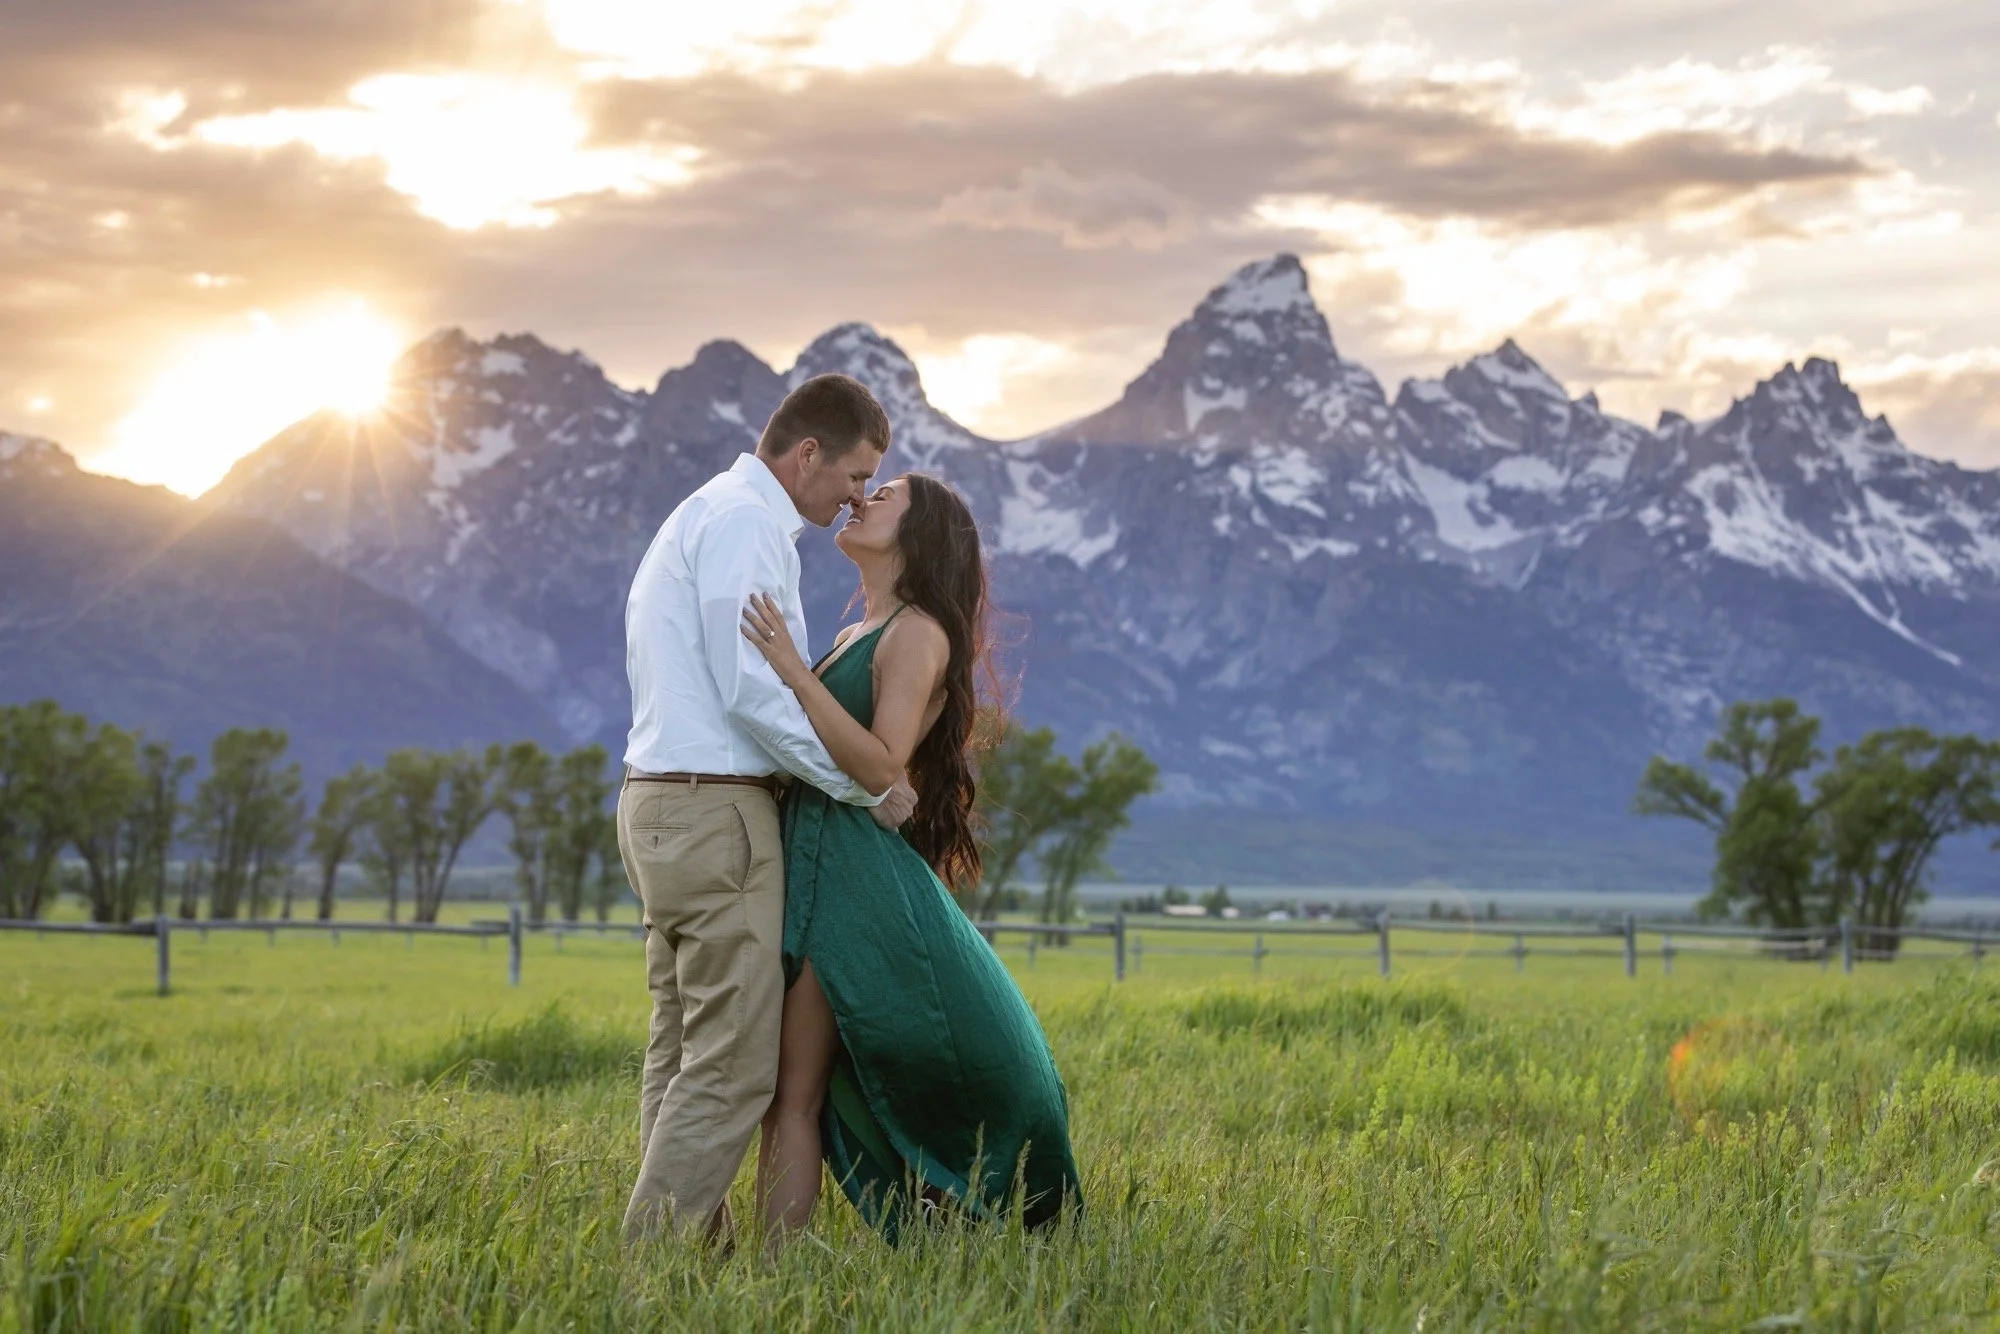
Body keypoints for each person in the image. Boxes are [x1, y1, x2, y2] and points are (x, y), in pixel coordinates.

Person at [740, 471, 1082, 1246]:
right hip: (818, 863)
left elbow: (881, 765)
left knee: (792, 1095)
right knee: (789, 1093)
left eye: (884, 493)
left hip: (853, 883)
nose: (862, 498)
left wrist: (793, 671)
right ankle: (767, 1266)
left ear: (918, 534)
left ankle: (765, 1277)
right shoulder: (858, 631)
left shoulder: (919, 632)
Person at [618, 373, 918, 1244]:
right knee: (735, 1065)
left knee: (680, 1053)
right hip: (716, 814)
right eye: (856, 475)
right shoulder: (750, 527)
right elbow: (755, 695)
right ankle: (654, 1267)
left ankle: (690, 1262)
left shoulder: (702, 511)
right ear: (808, 453)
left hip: (659, 803)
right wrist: (865, 786)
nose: (856, 497)